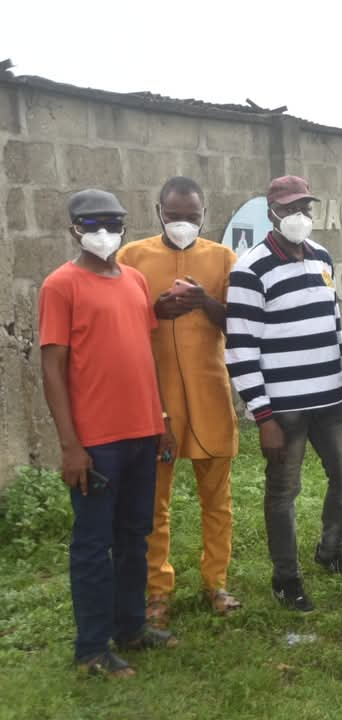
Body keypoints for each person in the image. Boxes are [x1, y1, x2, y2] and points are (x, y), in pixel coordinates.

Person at [39, 189, 178, 678]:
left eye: (113, 223)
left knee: (135, 535)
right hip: (96, 442)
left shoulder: (136, 281)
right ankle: (91, 649)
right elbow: (53, 368)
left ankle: (131, 627)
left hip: (143, 432)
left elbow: (144, 355)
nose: (103, 233)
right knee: (94, 544)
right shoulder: (61, 285)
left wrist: (160, 421)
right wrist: (70, 445)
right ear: (73, 228)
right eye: (91, 223)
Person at [225, 175, 342, 612]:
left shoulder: (323, 257)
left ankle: (331, 550)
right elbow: (241, 347)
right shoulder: (251, 269)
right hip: (284, 409)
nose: (298, 217)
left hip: (333, 397)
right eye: (288, 209)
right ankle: (286, 578)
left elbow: (333, 323)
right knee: (283, 492)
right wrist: (262, 416)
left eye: (305, 208)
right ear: (271, 213)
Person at [116, 177, 240, 627]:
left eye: (192, 216)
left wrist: (205, 301)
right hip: (155, 402)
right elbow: (123, 322)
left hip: (210, 394)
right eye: (174, 216)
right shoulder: (132, 258)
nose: (183, 224)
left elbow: (238, 322)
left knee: (217, 499)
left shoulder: (222, 258)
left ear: (204, 214)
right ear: (158, 212)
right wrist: (156, 311)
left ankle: (217, 582)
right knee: (154, 502)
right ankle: (157, 590)